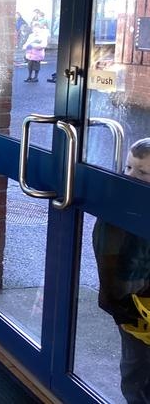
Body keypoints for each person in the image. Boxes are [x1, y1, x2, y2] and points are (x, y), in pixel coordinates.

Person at [93, 138, 150, 403]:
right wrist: (116, 302)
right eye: (128, 168)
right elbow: (107, 259)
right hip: (132, 305)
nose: (131, 176)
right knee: (136, 367)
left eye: (143, 172)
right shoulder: (118, 209)